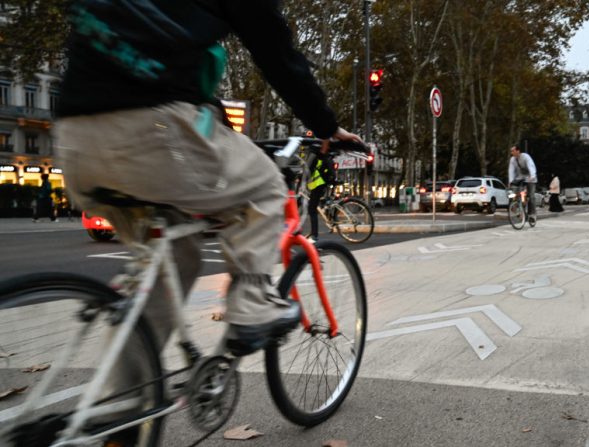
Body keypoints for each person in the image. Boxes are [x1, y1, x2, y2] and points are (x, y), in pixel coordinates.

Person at [54, 2, 361, 445]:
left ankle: (118, 415)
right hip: (150, 128)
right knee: (265, 187)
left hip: (76, 138)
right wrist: (326, 126)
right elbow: (276, 54)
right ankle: (252, 301)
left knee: (172, 257)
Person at [307, 145, 337, 242]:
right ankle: (313, 232)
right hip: (321, 184)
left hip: (318, 184)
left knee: (312, 209)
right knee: (314, 207)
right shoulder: (322, 157)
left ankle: (314, 236)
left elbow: (308, 170)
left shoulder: (314, 157)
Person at [508, 145, 537, 218]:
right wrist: (511, 181)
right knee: (513, 192)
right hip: (520, 177)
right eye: (511, 151)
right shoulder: (512, 159)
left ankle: (532, 215)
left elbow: (531, 166)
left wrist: (532, 176)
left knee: (531, 196)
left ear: (518, 151)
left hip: (530, 177)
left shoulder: (525, 157)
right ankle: (516, 208)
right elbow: (511, 170)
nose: (512, 152)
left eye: (513, 151)